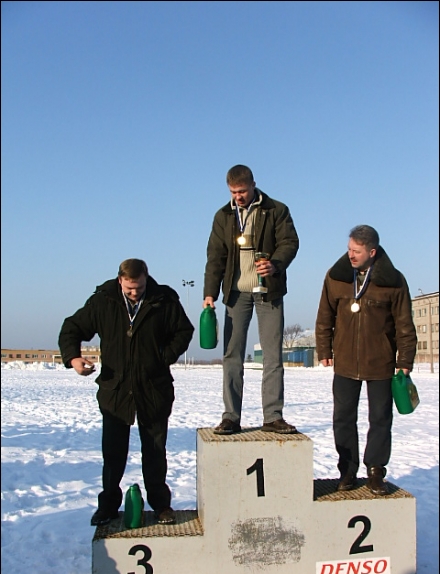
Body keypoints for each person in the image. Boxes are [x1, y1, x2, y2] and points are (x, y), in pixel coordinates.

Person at [58, 259, 194, 526]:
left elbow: (183, 331)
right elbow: (71, 328)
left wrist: (163, 357)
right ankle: (108, 506)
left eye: (139, 287)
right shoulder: (103, 301)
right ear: (120, 280)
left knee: (155, 451)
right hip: (116, 390)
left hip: (153, 388)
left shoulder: (163, 299)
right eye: (129, 288)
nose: (134, 292)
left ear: (146, 279)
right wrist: (73, 358)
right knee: (113, 453)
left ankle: (161, 505)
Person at [315, 225, 417, 495]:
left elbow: (404, 324)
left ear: (372, 252)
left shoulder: (394, 281)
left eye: (357, 251)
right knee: (343, 418)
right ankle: (347, 471)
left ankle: (375, 471)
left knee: (380, 419)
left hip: (381, 363)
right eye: (349, 249)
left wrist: (405, 360)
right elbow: (325, 315)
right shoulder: (335, 277)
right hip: (345, 361)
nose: (351, 255)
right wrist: (324, 349)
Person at [203, 164, 300, 435]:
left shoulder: (276, 209)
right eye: (233, 192)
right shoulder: (223, 216)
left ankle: (273, 417)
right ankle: (230, 417)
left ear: (253, 185)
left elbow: (290, 242)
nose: (238, 197)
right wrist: (210, 293)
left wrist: (275, 264)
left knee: (272, 356)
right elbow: (215, 256)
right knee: (232, 355)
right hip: (236, 293)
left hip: (269, 291)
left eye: (242, 191)